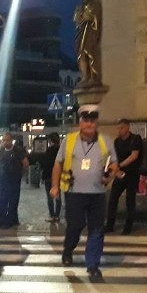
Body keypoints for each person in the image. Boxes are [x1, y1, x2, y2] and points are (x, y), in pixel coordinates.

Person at [50, 105, 119, 281]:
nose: (89, 124)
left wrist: (109, 176)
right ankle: (68, 249)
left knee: (96, 229)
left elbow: (113, 164)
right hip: (74, 193)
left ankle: (93, 265)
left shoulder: (106, 141)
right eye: (86, 120)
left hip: (97, 193)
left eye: (92, 121)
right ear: (80, 122)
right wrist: (55, 186)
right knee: (75, 225)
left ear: (96, 123)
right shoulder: (69, 141)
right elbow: (58, 164)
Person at [105, 118, 143, 235]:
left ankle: (128, 226)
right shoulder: (117, 141)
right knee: (113, 198)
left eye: (121, 127)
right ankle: (110, 225)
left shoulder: (135, 139)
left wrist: (119, 165)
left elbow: (134, 156)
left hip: (132, 174)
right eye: (118, 128)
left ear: (127, 127)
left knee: (130, 200)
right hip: (120, 174)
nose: (119, 130)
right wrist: (113, 169)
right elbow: (113, 156)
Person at [0, 133, 29, 228]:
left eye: (7, 140)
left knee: (12, 201)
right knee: (1, 201)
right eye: (3, 140)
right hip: (2, 181)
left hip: (13, 180)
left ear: (11, 140)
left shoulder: (18, 150)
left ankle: (10, 221)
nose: (5, 142)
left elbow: (25, 163)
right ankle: (0, 220)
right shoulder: (1, 150)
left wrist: (20, 175)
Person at [74, 0, 103, 87]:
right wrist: (78, 17)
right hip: (83, 33)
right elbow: (79, 23)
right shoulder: (83, 7)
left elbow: (96, 18)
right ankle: (85, 76)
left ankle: (93, 76)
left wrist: (88, 17)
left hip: (91, 33)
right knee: (81, 54)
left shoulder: (96, 4)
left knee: (90, 53)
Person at [40, 132, 62, 223]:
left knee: (50, 197)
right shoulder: (61, 150)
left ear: (50, 140)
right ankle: (57, 215)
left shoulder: (49, 150)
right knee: (58, 196)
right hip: (60, 176)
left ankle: (52, 215)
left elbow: (45, 164)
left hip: (49, 175)